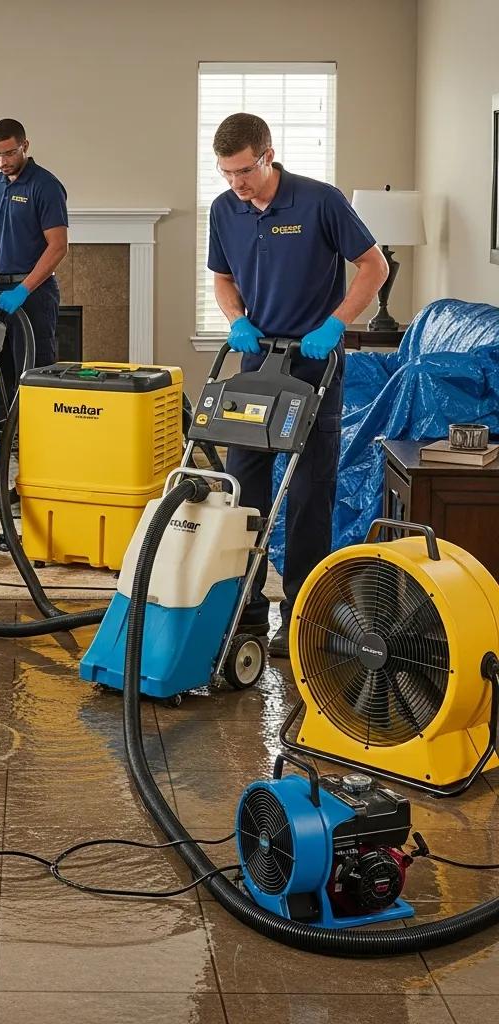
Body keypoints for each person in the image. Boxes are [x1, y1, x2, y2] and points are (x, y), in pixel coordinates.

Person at [207, 112, 389, 658]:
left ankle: (303, 615)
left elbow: (373, 266)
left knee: (311, 494)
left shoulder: (320, 200)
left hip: (314, 365)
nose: (236, 184)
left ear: (268, 154)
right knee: (244, 491)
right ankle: (247, 612)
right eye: (226, 173)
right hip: (257, 364)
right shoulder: (224, 210)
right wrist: (235, 317)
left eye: (243, 170)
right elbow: (221, 277)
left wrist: (336, 324)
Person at [0, 118, 68, 415]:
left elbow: (58, 246)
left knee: (32, 373)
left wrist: (23, 289)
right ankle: (2, 443)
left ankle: (36, 445)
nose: (3, 161)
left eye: (9, 153)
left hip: (33, 295)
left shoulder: (46, 186)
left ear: (25, 146)